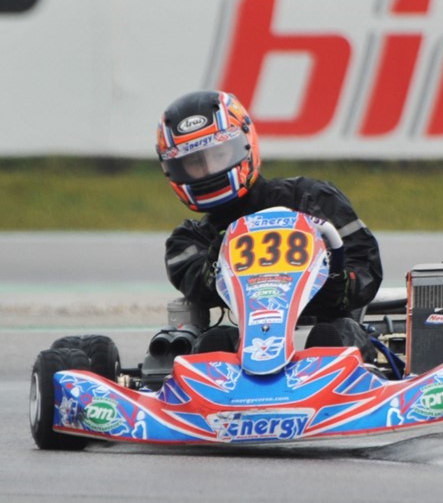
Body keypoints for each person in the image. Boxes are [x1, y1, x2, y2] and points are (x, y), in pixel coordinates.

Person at [155, 90, 382, 359]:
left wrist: (338, 282)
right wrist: (218, 259)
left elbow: (365, 265)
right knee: (212, 345)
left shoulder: (311, 198)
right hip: (248, 346)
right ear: (176, 169)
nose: (208, 170)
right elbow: (201, 289)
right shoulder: (190, 241)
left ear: (245, 144)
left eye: (219, 155)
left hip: (327, 329)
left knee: (335, 335)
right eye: (194, 163)